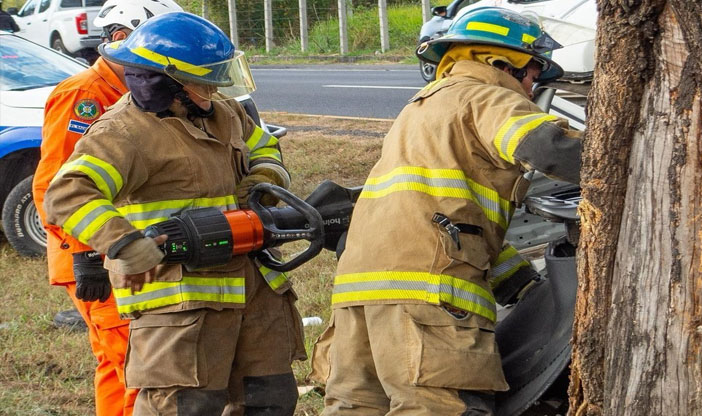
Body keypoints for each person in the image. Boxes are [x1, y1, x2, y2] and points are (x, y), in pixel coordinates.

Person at [317, 8, 582, 414]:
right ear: (503, 62)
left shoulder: (420, 109)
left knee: (357, 407)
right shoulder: (488, 96)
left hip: (360, 298)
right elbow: (549, 149)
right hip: (427, 300)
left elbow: (447, 223)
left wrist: (526, 287)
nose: (534, 86)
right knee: (442, 405)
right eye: (534, 72)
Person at [41, 11, 304, 415]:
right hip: (184, 310)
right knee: (183, 408)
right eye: (203, 83)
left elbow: (265, 145)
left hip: (256, 295)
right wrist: (124, 243)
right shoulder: (124, 133)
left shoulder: (224, 113)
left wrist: (264, 176)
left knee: (270, 400)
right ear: (169, 82)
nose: (213, 92)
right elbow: (67, 193)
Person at [32, 1, 181, 415]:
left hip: (122, 250)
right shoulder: (84, 95)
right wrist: (87, 256)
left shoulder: (135, 93)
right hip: (96, 255)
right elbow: (54, 186)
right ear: (120, 39)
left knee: (119, 367)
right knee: (136, 368)